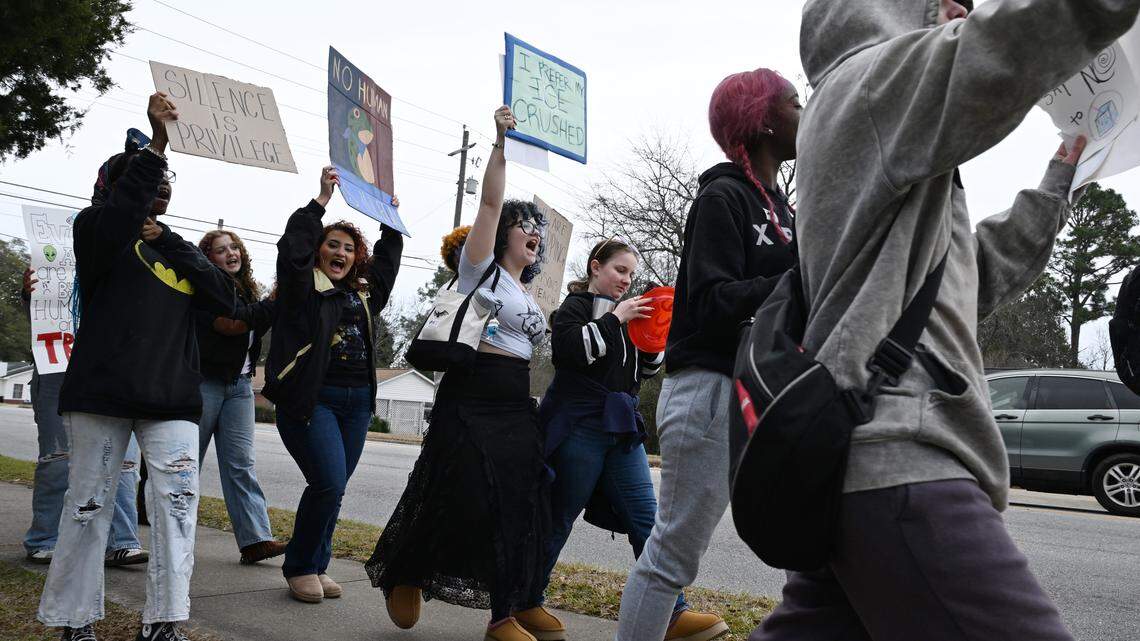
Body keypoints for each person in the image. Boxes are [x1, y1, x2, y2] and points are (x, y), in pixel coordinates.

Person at [750, 0, 1137, 638]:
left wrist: (1055, 187)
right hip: (900, 459)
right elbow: (1000, 50)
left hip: (861, 460)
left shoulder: (881, 124)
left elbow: (969, 279)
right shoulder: (868, 86)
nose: (962, 9)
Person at [37, 92, 238, 641]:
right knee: (87, 506)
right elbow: (123, 209)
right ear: (116, 186)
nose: (161, 184)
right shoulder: (95, 230)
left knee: (178, 509)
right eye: (150, 178)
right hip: (101, 394)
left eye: (167, 179)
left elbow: (226, 299)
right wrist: (157, 143)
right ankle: (75, 620)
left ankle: (164, 622)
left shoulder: (174, 246)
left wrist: (170, 240)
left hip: (171, 399)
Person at [616, 68, 801, 641]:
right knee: (673, 553)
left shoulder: (785, 210)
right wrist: (798, 281)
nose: (806, 114)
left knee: (806, 545)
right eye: (795, 103)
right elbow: (714, 300)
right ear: (763, 120)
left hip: (772, 394)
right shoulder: (722, 198)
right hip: (712, 390)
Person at [366, 106, 550, 641]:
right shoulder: (480, 269)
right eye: (525, 226)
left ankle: (505, 612)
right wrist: (499, 144)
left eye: (538, 230)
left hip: (514, 405)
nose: (534, 234)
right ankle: (407, 572)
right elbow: (490, 202)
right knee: (456, 494)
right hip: (470, 398)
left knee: (517, 505)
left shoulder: (527, 293)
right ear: (504, 234)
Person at [518, 239, 682, 641]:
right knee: (558, 518)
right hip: (579, 426)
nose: (627, 280)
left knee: (648, 520)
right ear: (596, 267)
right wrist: (616, 319)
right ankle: (524, 603)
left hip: (621, 430)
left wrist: (654, 330)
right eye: (619, 270)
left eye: (631, 274)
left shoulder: (630, 313)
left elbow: (644, 370)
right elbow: (570, 352)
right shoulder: (575, 306)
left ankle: (673, 613)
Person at [261, 166, 402, 604]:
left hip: (357, 404)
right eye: (332, 245)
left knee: (334, 488)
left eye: (349, 248)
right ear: (319, 252)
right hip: (311, 401)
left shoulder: (362, 293)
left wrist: (390, 221)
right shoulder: (303, 287)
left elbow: (387, 268)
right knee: (327, 482)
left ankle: (317, 564)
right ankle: (300, 567)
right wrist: (320, 201)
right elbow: (293, 248)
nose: (340, 252)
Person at [21, 268, 149, 569]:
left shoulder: (129, 263)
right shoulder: (56, 261)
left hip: (115, 372)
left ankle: (121, 542)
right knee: (58, 459)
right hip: (57, 370)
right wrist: (30, 294)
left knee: (124, 462)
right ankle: (45, 540)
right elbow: (41, 319)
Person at [194, 230, 284, 565]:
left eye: (234, 247)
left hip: (241, 387)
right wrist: (272, 302)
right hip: (204, 384)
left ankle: (255, 540)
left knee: (241, 464)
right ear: (208, 259)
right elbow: (232, 325)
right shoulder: (204, 292)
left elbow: (256, 324)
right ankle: (170, 532)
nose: (231, 253)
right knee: (186, 463)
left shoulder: (248, 292)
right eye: (221, 250)